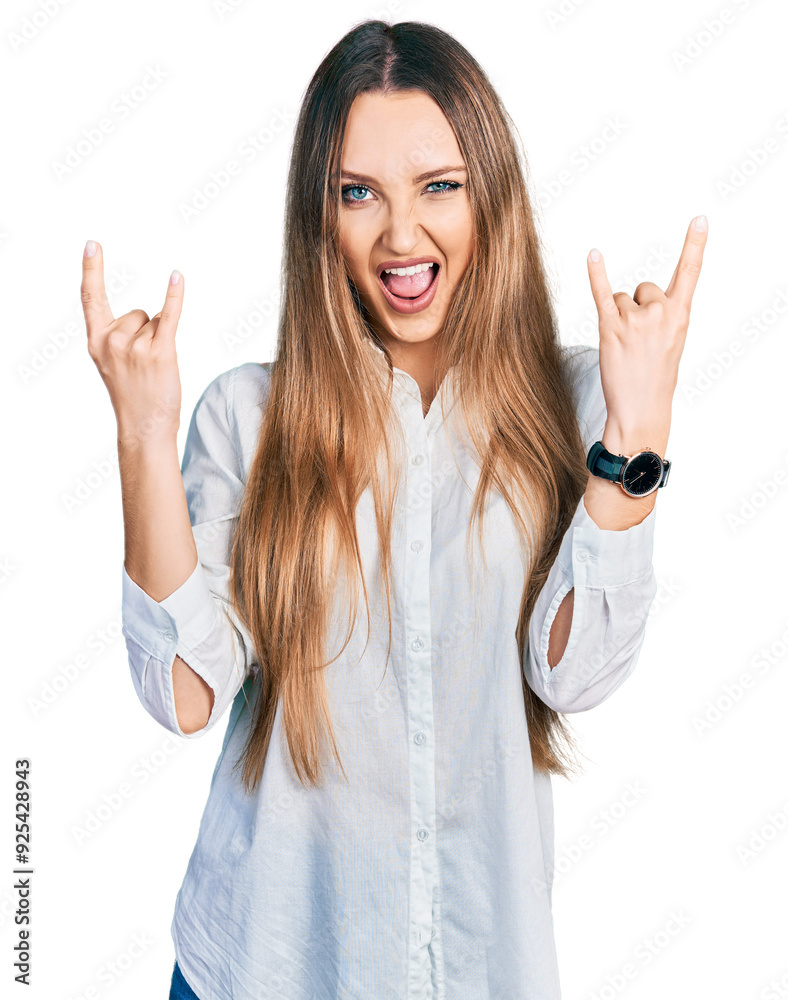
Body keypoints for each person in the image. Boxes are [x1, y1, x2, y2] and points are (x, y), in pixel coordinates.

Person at [81, 19, 706, 1000]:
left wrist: (636, 436)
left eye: (438, 187)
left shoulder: (572, 405)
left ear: (488, 198)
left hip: (472, 967)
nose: (400, 234)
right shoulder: (248, 419)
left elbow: (576, 673)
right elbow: (183, 694)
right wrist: (140, 436)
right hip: (263, 964)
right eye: (357, 192)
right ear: (318, 214)